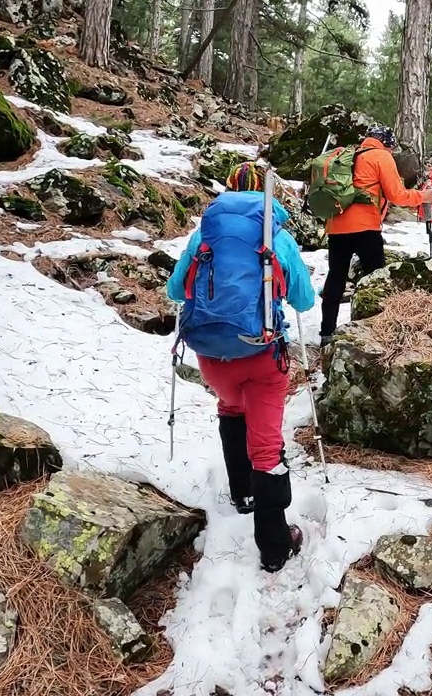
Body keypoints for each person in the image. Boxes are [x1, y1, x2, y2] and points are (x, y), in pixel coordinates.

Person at [166, 162, 316, 573]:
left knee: (232, 408)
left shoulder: (205, 235)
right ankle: (274, 546)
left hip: (212, 355)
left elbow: (175, 288)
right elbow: (304, 302)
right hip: (262, 355)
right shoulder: (276, 238)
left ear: (228, 191)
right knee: (266, 447)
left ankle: (242, 494)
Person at [317, 126, 432, 344]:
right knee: (376, 278)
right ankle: (379, 327)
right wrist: (424, 196)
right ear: (387, 144)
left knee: (335, 278)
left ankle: (327, 332)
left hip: (336, 225)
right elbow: (397, 195)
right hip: (366, 227)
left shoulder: (347, 154)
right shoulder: (381, 156)